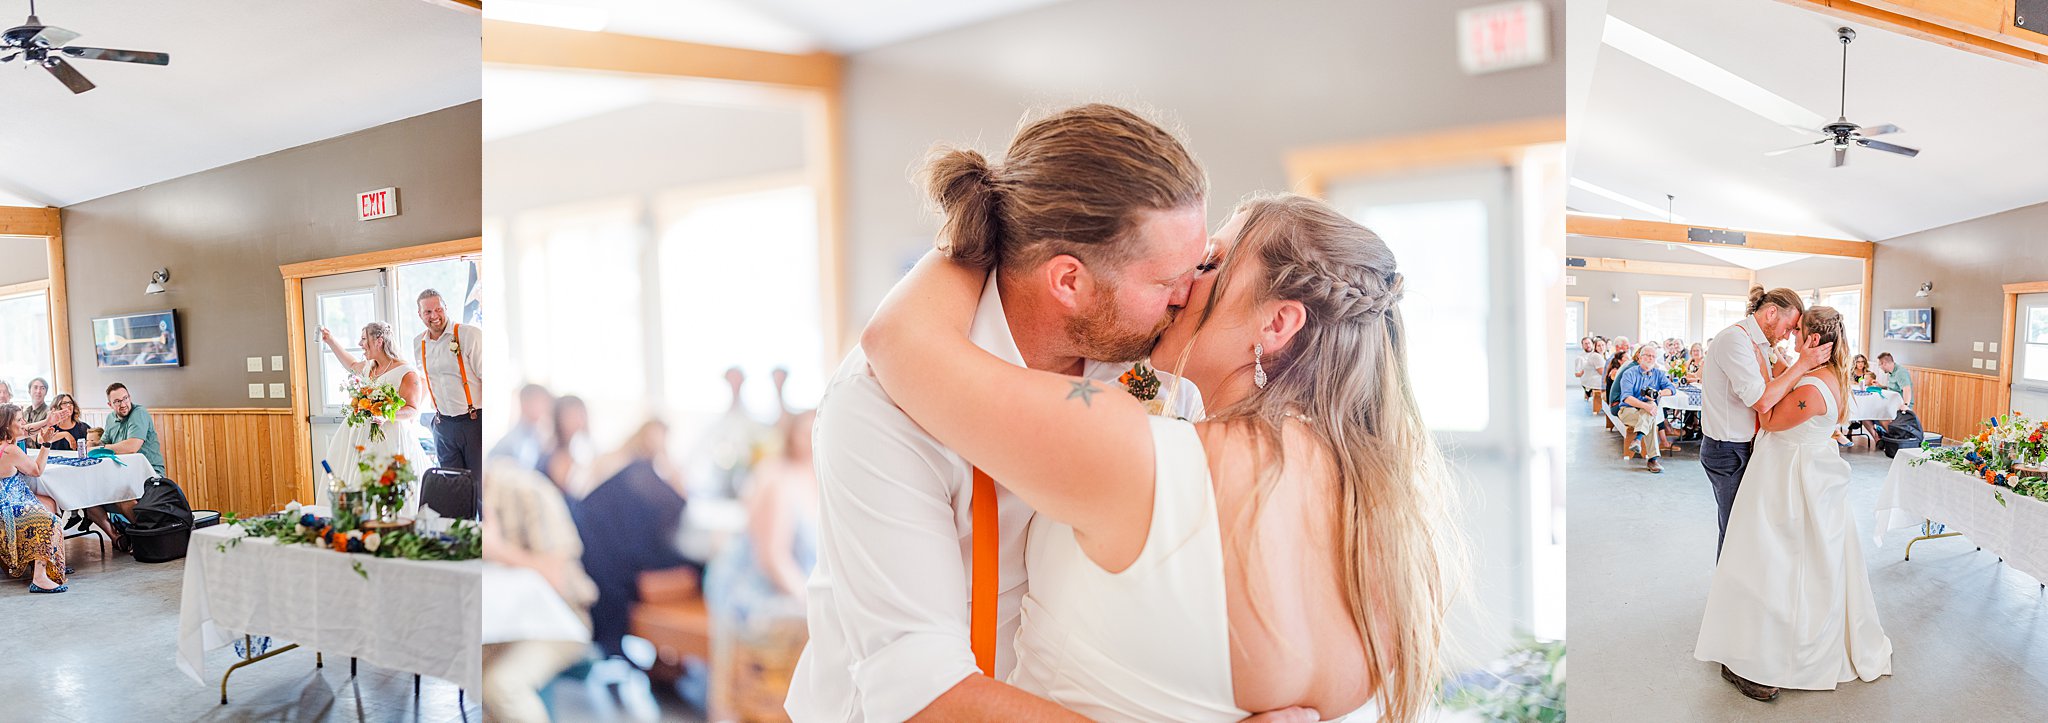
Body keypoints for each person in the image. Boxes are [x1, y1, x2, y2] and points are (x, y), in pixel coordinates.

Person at [860, 190, 1459, 722]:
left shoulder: (1134, 453)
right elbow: (1145, 389)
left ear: (1278, 322)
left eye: (1213, 262)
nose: (1187, 277)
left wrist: (992, 217)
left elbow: (899, 340)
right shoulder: (1391, 530)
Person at [788, 104, 1235, 722]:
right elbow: (923, 694)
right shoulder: (878, 407)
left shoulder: (1144, 376)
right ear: (1069, 281)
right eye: (1167, 282)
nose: (1190, 296)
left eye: (1199, 267)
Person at [1695, 306, 1891, 700]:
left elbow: (1769, 419)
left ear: (1813, 340)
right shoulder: (1827, 373)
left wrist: (1769, 372)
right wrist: (1782, 363)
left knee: (1773, 559)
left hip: (1790, 476)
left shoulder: (1812, 388)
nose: (1791, 336)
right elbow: (1791, 375)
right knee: (1800, 560)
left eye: (1797, 330)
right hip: (1809, 469)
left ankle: (1758, 652)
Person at [1699, 287, 1832, 563]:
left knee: (1751, 528)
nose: (1788, 335)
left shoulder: (1761, 344)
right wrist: (1802, 364)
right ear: (1772, 313)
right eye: (1789, 327)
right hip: (1729, 451)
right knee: (1736, 530)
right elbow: (1761, 401)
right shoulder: (1734, 341)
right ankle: (1729, 588)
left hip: (1749, 448)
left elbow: (1786, 383)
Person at [705, 409, 821, 720]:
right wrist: (811, 599)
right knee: (819, 626)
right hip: (759, 590)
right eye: (805, 432)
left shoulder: (822, 479)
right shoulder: (778, 479)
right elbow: (772, 558)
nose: (811, 439)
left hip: (796, 584)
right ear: (792, 436)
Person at [481, 459, 597, 723]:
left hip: (559, 620)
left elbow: (557, 577)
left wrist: (497, 550)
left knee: (501, 687)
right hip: (502, 622)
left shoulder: (528, 490)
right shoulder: (458, 499)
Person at [573, 420, 694, 659]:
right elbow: (679, 503)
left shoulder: (631, 467)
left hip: (601, 553)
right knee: (694, 567)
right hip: (612, 552)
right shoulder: (634, 469)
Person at [319, 323, 430, 516]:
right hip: (358, 434)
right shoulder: (369, 367)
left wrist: (386, 415)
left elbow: (412, 409)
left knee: (381, 482)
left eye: (364, 339)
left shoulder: (406, 372)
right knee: (354, 477)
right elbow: (351, 365)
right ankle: (354, 518)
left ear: (379, 341)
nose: (360, 343)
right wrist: (330, 340)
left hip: (389, 437)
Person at [415, 289, 485, 472]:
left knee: (478, 482)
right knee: (451, 482)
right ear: (420, 314)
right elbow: (425, 380)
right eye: (427, 312)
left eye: (438, 309)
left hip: (473, 422)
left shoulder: (469, 334)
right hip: (442, 425)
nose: (434, 316)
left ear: (446, 307)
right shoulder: (418, 343)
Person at [1, 404, 67, 592]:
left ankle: (49, 559)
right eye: (19, 419)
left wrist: (47, 421)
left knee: (50, 503)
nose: (24, 423)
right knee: (49, 520)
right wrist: (46, 444)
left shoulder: (4, 443)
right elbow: (37, 470)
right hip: (7, 505)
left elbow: (25, 430)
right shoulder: (10, 450)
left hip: (11, 498)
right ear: (7, 425)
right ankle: (39, 577)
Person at [1613, 344, 1677, 473]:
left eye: (1653, 356)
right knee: (1651, 413)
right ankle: (1652, 460)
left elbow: (1672, 389)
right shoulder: (1629, 373)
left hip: (1646, 412)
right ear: (1640, 357)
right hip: (1628, 410)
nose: (1651, 358)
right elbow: (1626, 398)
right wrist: (1646, 406)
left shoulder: (1658, 374)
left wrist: (1659, 393)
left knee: (1651, 410)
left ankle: (1637, 440)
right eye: (1648, 355)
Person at [490, 384, 555, 471]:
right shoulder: (511, 441)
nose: (544, 407)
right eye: (539, 402)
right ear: (524, 402)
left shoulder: (538, 437)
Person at [537, 395, 592, 496]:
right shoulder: (553, 454)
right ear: (558, 419)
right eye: (571, 416)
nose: (578, 421)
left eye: (580, 414)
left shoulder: (579, 449)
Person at [1576, 337, 1608, 415]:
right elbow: (1602, 372)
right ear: (1595, 347)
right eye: (1599, 346)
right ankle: (1609, 408)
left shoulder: (1603, 355)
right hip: (1593, 381)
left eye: (1603, 345)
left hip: (1592, 380)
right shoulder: (1596, 356)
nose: (1601, 347)